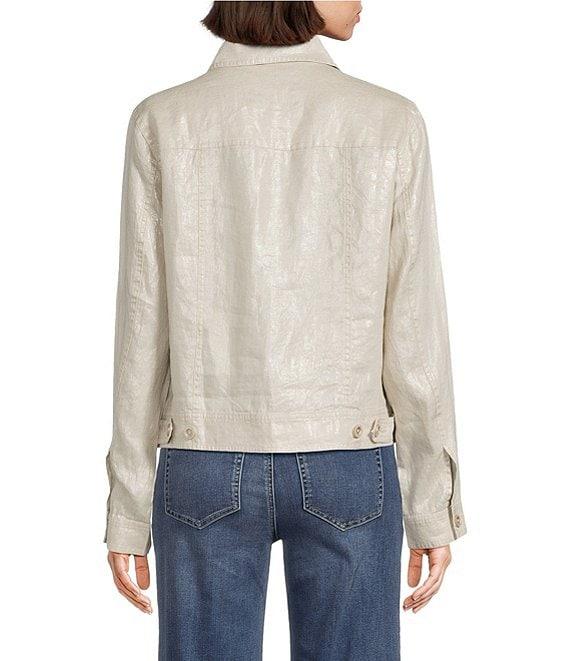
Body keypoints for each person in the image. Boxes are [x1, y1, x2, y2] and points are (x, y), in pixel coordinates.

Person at [104, 1, 467, 658]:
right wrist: (432, 503)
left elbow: (141, 327)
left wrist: (128, 507)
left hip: (202, 459)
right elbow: (414, 333)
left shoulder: (163, 121)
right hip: (349, 461)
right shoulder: (389, 122)